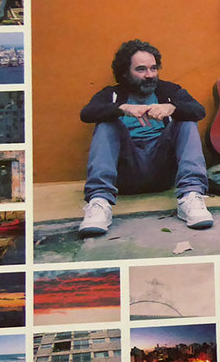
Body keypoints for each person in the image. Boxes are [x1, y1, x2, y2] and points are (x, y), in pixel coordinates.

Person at [78, 39, 213, 236]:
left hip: (162, 169)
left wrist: (172, 108)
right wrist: (121, 109)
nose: (149, 75)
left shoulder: (168, 91)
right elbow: (87, 113)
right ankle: (99, 202)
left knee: (186, 119)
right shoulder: (112, 94)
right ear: (125, 72)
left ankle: (191, 196)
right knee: (106, 123)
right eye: (141, 69)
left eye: (153, 68)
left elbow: (198, 110)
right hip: (127, 172)